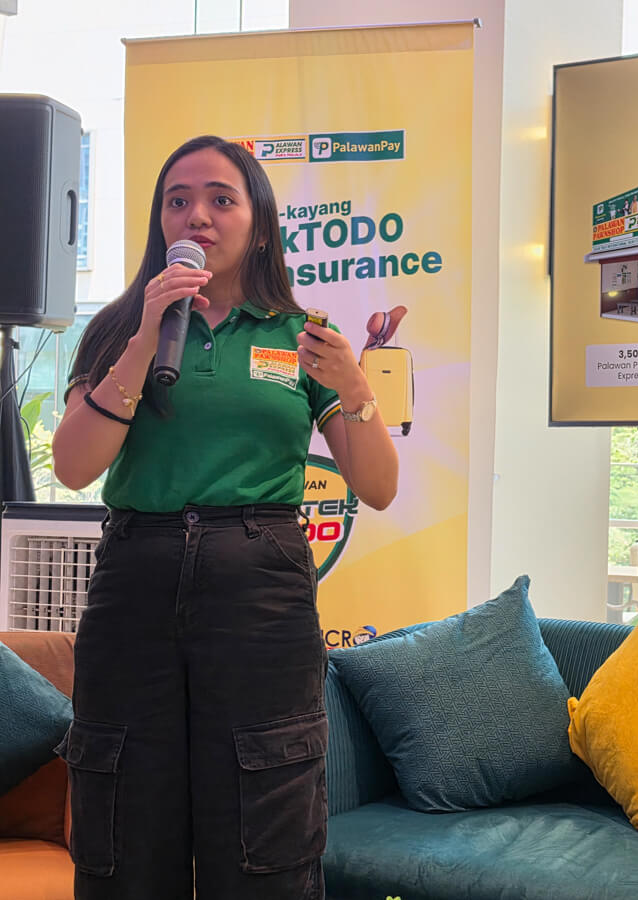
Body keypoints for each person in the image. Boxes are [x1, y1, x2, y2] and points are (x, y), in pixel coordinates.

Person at [50, 134, 399, 900]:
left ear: (260, 224)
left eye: (220, 199)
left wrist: (355, 389)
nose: (197, 215)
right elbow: (74, 465)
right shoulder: (117, 327)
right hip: (135, 585)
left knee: (263, 807)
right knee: (124, 810)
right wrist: (146, 336)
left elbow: (377, 486)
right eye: (178, 200)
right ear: (160, 221)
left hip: (260, 591)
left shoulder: (301, 334)